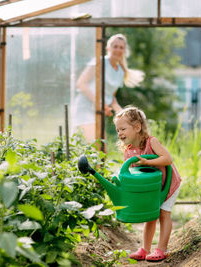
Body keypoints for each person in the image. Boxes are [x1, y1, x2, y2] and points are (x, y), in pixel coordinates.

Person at [113, 106, 182, 262]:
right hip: (152, 189)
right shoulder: (128, 151)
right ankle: (145, 249)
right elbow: (130, 174)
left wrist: (148, 161)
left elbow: (168, 159)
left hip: (168, 184)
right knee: (150, 216)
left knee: (164, 214)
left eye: (123, 129)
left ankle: (162, 249)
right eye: (117, 130)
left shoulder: (152, 142)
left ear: (137, 127)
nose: (120, 133)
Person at [71, 33, 144, 142]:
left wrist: (123, 114)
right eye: (115, 46)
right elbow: (81, 83)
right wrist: (99, 103)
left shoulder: (120, 71)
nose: (118, 50)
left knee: (102, 148)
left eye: (121, 47)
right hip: (85, 108)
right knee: (95, 146)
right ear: (108, 48)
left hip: (98, 111)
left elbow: (111, 97)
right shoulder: (99, 62)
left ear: (124, 51)